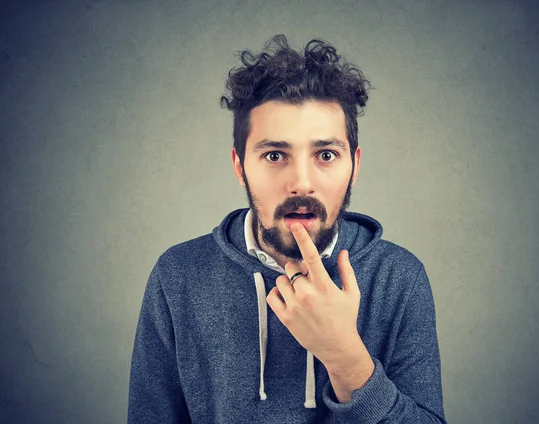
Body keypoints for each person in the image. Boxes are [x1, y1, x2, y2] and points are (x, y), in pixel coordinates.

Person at [128, 34, 446, 424]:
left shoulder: (398, 277)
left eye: (325, 155)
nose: (301, 183)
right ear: (240, 165)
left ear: (355, 166)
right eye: (275, 155)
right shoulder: (178, 275)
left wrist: (344, 355)